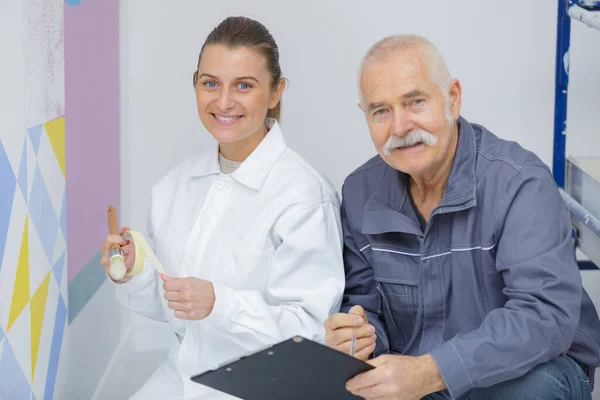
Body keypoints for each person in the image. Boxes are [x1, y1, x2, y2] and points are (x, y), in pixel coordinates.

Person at [324, 34, 600, 400]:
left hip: (523, 373)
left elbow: (544, 317)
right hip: (414, 377)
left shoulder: (518, 183)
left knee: (531, 390)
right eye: (381, 111)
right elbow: (364, 303)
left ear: (452, 98)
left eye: (415, 102)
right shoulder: (360, 192)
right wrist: (358, 334)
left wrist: (431, 371)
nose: (400, 127)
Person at [100, 16, 345, 399]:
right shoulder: (173, 188)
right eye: (210, 83)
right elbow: (173, 308)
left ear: (276, 92)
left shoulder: (304, 197)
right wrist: (134, 273)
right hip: (181, 376)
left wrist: (220, 303)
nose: (224, 101)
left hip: (266, 386)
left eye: (244, 85)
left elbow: (312, 331)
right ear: (195, 85)